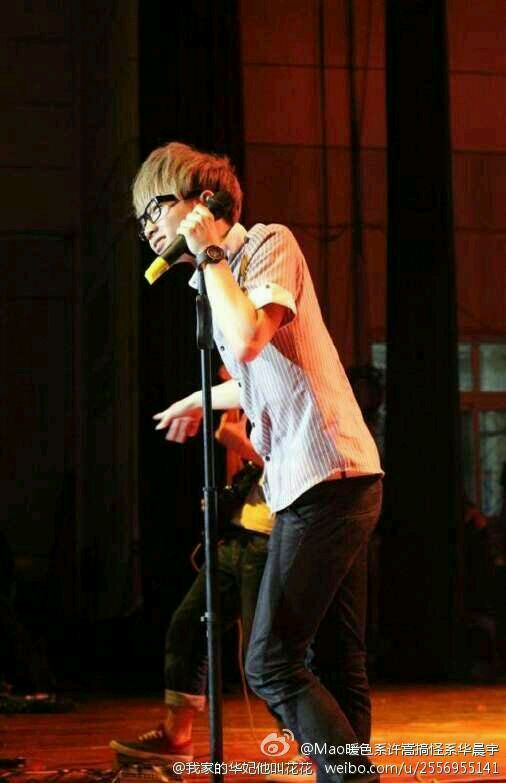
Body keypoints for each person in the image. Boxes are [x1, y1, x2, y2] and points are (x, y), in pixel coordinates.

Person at [128, 142, 383, 782]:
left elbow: (246, 339)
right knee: (336, 660)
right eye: (141, 218)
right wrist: (197, 398)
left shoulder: (267, 243)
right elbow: (258, 374)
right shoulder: (217, 281)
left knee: (270, 662)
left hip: (325, 476)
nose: (148, 226)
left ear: (202, 200)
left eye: (155, 207)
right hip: (332, 478)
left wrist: (211, 253)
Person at [110, 410, 275, 761]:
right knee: (188, 627)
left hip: (271, 541)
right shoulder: (254, 402)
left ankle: (309, 748)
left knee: (267, 656)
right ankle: (175, 737)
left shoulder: (302, 397)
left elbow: (301, 469)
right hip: (238, 537)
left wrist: (241, 444)